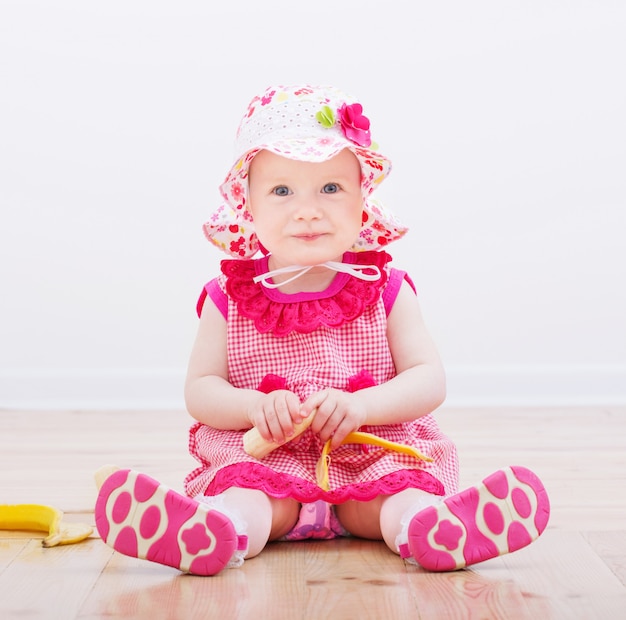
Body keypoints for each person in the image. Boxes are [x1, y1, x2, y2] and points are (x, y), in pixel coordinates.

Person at [94, 85, 550, 575]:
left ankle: (428, 528)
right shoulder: (229, 297)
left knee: (397, 493)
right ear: (248, 204)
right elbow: (200, 391)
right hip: (270, 458)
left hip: (370, 453)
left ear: (362, 199)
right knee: (250, 495)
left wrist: (364, 406)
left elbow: (428, 378)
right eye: (282, 190)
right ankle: (219, 530)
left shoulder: (385, 288)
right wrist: (253, 407)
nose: (308, 209)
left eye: (331, 189)